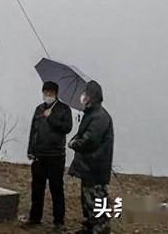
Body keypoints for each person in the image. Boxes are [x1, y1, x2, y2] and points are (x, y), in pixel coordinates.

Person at [23, 81, 73, 230]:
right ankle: (34, 217)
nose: (48, 96)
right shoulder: (39, 109)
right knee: (37, 188)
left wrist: (51, 117)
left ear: (56, 94)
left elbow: (67, 128)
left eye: (51, 93)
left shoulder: (64, 109)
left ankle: (59, 221)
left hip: (55, 156)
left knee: (56, 188)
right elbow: (34, 130)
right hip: (39, 155)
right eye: (46, 93)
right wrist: (30, 150)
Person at [68, 80, 114, 234]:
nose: (82, 97)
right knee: (88, 200)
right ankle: (90, 226)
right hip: (88, 167)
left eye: (85, 94)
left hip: (96, 167)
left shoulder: (99, 116)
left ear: (92, 97)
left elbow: (90, 141)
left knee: (97, 200)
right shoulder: (91, 114)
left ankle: (99, 229)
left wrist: (75, 144)